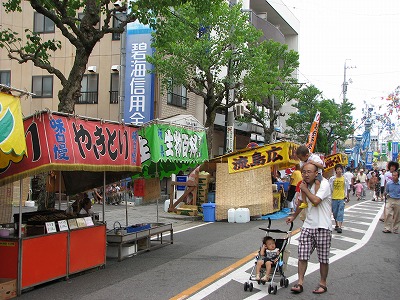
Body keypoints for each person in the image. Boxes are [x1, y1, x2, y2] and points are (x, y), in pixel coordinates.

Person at [286, 163, 332, 295]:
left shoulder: (324, 184)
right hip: (308, 225)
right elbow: (302, 202)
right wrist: (294, 216)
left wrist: (305, 190)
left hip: (323, 226)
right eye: (304, 172)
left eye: (309, 172)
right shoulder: (305, 186)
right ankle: (300, 282)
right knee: (302, 255)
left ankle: (323, 283)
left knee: (323, 259)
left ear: (316, 173)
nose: (306, 174)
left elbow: (316, 201)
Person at [329, 164, 349, 233]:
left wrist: (347, 196)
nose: (339, 170)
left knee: (340, 212)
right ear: (336, 170)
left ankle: (340, 226)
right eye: (338, 169)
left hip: (342, 198)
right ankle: (337, 225)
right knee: (335, 213)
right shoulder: (332, 179)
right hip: (334, 198)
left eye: (340, 169)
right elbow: (329, 188)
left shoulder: (344, 179)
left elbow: (347, 188)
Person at [382, 169, 400, 234]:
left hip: (398, 200)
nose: (394, 177)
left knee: (397, 215)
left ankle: (395, 228)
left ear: (398, 176)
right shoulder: (389, 183)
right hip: (390, 199)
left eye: (395, 176)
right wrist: (385, 194)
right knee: (388, 214)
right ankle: (387, 228)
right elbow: (386, 191)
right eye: (393, 175)